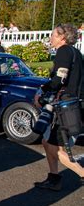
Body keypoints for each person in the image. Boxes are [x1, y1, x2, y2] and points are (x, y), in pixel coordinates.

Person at [33, 23, 83, 190]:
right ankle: (54, 178)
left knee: (56, 147)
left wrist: (42, 91)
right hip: (72, 104)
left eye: (53, 34)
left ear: (62, 37)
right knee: (48, 142)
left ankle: (81, 173)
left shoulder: (64, 51)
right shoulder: (76, 53)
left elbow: (59, 80)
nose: (50, 38)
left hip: (65, 107)